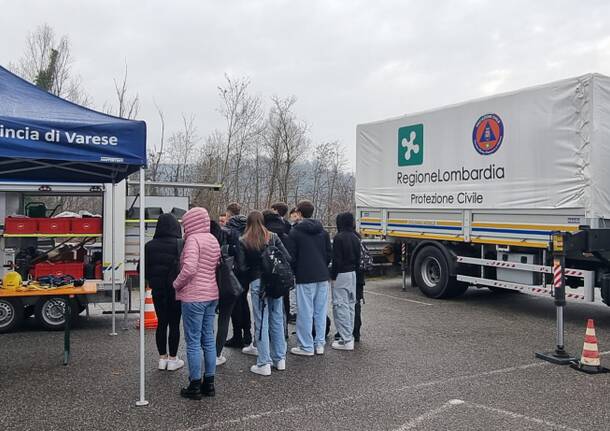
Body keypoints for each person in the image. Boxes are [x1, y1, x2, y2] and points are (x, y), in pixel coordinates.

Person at [173, 207, 220, 400]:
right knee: (208, 339)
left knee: (192, 342)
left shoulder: (193, 240)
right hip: (212, 294)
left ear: (191, 222)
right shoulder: (213, 239)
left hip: (193, 297)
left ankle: (194, 385)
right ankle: (209, 384)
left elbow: (190, 268)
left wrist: (176, 284)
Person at [237, 211, 291, 376]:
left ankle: (263, 362)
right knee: (277, 319)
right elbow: (287, 257)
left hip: (257, 283)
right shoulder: (273, 236)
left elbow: (241, 266)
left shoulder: (243, 240)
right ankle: (279, 359)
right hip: (275, 282)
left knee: (261, 322)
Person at [287, 200, 331, 356]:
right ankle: (319, 343)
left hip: (305, 276)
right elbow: (328, 254)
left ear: (298, 212)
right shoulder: (323, 231)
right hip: (322, 275)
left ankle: (306, 346)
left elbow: (291, 256)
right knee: (320, 311)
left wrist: (296, 271)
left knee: (305, 312)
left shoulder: (295, 232)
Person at [144, 213, 184, 371]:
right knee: (175, 324)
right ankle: (173, 359)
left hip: (158, 290)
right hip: (176, 289)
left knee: (162, 323)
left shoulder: (149, 245)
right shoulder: (180, 244)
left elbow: (143, 271)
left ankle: (162, 358)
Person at [223, 203, 252, 350]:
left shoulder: (229, 229)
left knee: (235, 304)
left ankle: (237, 336)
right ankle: (247, 334)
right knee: (244, 302)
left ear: (229, 214)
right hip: (247, 270)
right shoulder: (248, 226)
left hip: (234, 270)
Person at [330, 212, 361, 351]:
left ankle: (346, 339)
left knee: (340, 305)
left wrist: (333, 275)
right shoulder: (356, 237)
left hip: (341, 274)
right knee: (350, 305)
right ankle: (350, 336)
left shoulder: (339, 237)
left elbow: (337, 260)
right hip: (353, 273)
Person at [263, 209, 293, 337]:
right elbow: (289, 256)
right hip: (282, 274)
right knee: (283, 304)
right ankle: (283, 330)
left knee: (265, 309)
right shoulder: (285, 232)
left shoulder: (264, 234)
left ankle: (267, 334)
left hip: (266, 275)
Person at [209, 219, 233, 366]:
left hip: (209, 288)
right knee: (224, 320)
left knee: (207, 322)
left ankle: (209, 352)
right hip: (227, 286)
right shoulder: (228, 247)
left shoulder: (203, 245)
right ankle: (217, 354)